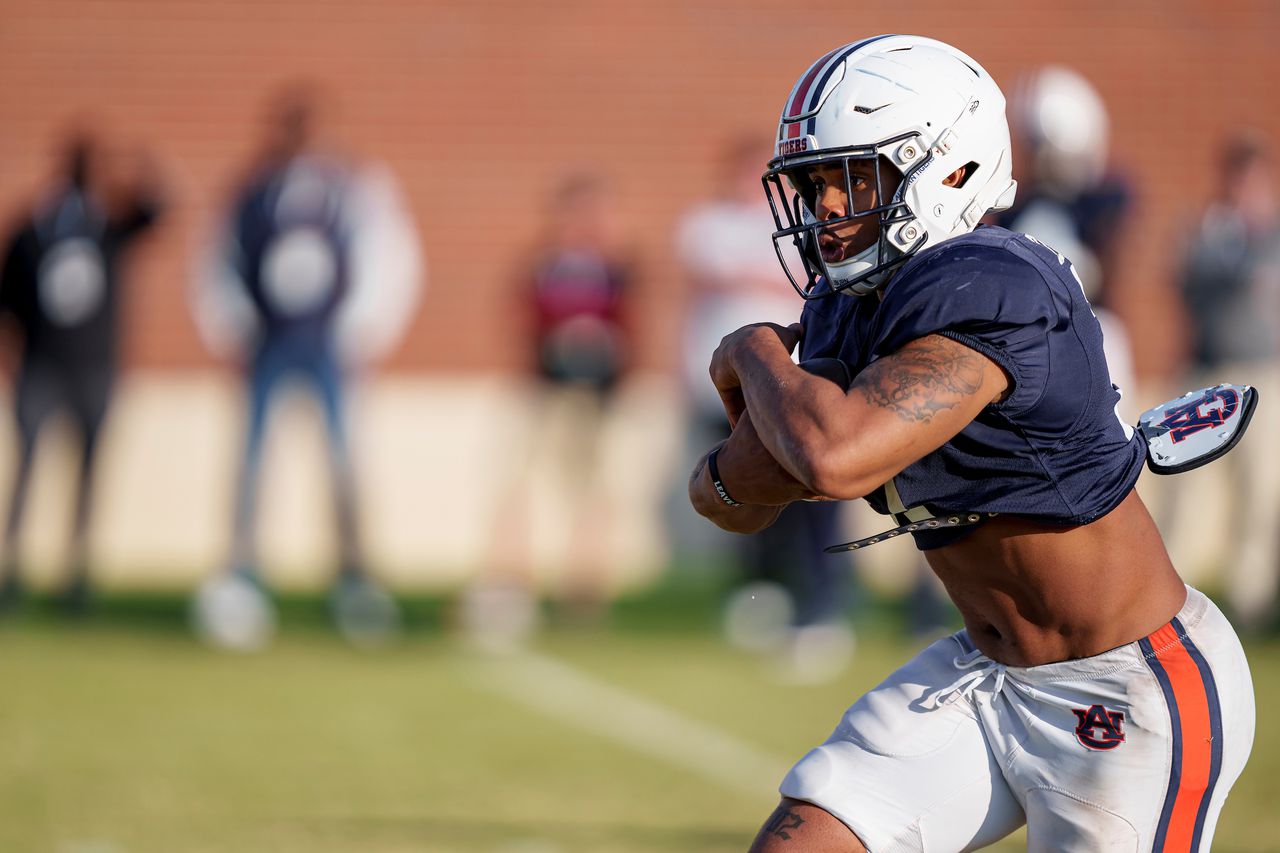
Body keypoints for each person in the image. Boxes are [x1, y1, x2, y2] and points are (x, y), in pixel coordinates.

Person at [688, 35, 1254, 850]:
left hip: (1129, 688)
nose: (826, 212)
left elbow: (831, 458)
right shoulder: (855, 306)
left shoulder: (996, 280)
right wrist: (764, 448)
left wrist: (752, 351)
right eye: (814, 186)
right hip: (988, 677)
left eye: (850, 180)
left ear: (945, 167)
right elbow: (724, 499)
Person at [190, 85, 423, 648]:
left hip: (329, 347)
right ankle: (242, 573)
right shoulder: (251, 190)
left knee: (343, 460)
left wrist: (363, 333)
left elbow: (390, 259)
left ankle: (355, 578)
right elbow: (217, 261)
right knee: (250, 460)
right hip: (269, 344)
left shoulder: (357, 190)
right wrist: (230, 329)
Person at [676, 135, 858, 679]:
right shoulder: (706, 224)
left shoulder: (803, 227)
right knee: (747, 491)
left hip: (798, 381)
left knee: (817, 492)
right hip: (734, 386)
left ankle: (822, 606)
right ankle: (766, 596)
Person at [462, 172, 634, 649]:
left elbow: (629, 329)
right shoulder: (545, 268)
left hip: (593, 395)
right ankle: (511, 583)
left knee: (592, 491)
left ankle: (584, 592)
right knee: (517, 484)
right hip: (545, 389)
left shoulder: (616, 270)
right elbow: (523, 321)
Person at [0, 129, 165, 612]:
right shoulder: (33, 229)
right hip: (41, 368)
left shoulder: (109, 228)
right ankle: (12, 570)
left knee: (89, 473)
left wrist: (141, 167)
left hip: (94, 370)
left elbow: (156, 214)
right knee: (28, 467)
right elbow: (6, 297)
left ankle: (77, 574)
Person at [1175, 131, 1280, 632]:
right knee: (1188, 488)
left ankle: (1250, 607)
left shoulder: (1274, 236)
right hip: (1208, 374)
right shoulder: (1209, 234)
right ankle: (1173, 604)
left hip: (1264, 375)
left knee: (1259, 495)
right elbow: (1186, 284)